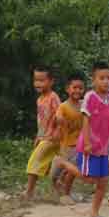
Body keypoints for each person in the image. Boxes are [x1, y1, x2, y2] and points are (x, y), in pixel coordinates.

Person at [55, 62, 109, 217]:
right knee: (90, 179)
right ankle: (62, 162)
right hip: (89, 146)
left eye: (108, 78)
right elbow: (86, 120)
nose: (106, 81)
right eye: (102, 78)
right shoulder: (90, 97)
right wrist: (88, 143)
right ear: (94, 80)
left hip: (104, 147)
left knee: (103, 181)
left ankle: (94, 215)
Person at [24, 66, 62, 200]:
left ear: (51, 81)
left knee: (34, 161)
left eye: (42, 80)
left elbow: (60, 116)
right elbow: (41, 121)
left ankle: (29, 192)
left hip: (53, 138)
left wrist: (58, 131)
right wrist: (38, 136)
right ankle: (60, 191)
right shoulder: (39, 100)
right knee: (52, 166)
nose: (38, 83)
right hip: (45, 137)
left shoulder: (53, 97)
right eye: (36, 80)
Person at [52, 73, 86, 204]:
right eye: (74, 87)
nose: (77, 90)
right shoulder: (63, 106)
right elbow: (58, 116)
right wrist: (59, 119)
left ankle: (66, 193)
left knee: (73, 171)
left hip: (81, 144)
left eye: (80, 88)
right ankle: (60, 190)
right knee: (61, 173)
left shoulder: (84, 105)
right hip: (67, 145)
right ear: (68, 89)